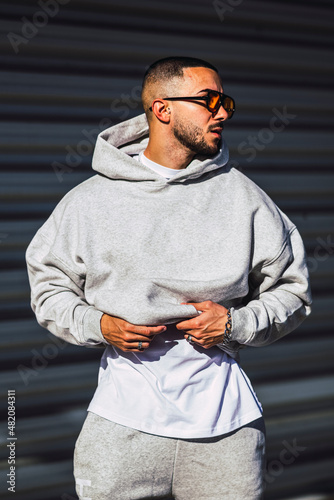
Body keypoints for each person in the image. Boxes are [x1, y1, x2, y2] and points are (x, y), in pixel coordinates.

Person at [26, 56, 312, 500]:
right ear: (163, 109)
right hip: (122, 428)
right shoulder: (90, 202)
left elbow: (293, 290)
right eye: (209, 101)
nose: (223, 113)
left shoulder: (246, 198)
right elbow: (48, 287)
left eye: (226, 103)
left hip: (227, 432)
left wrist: (238, 324)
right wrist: (98, 325)